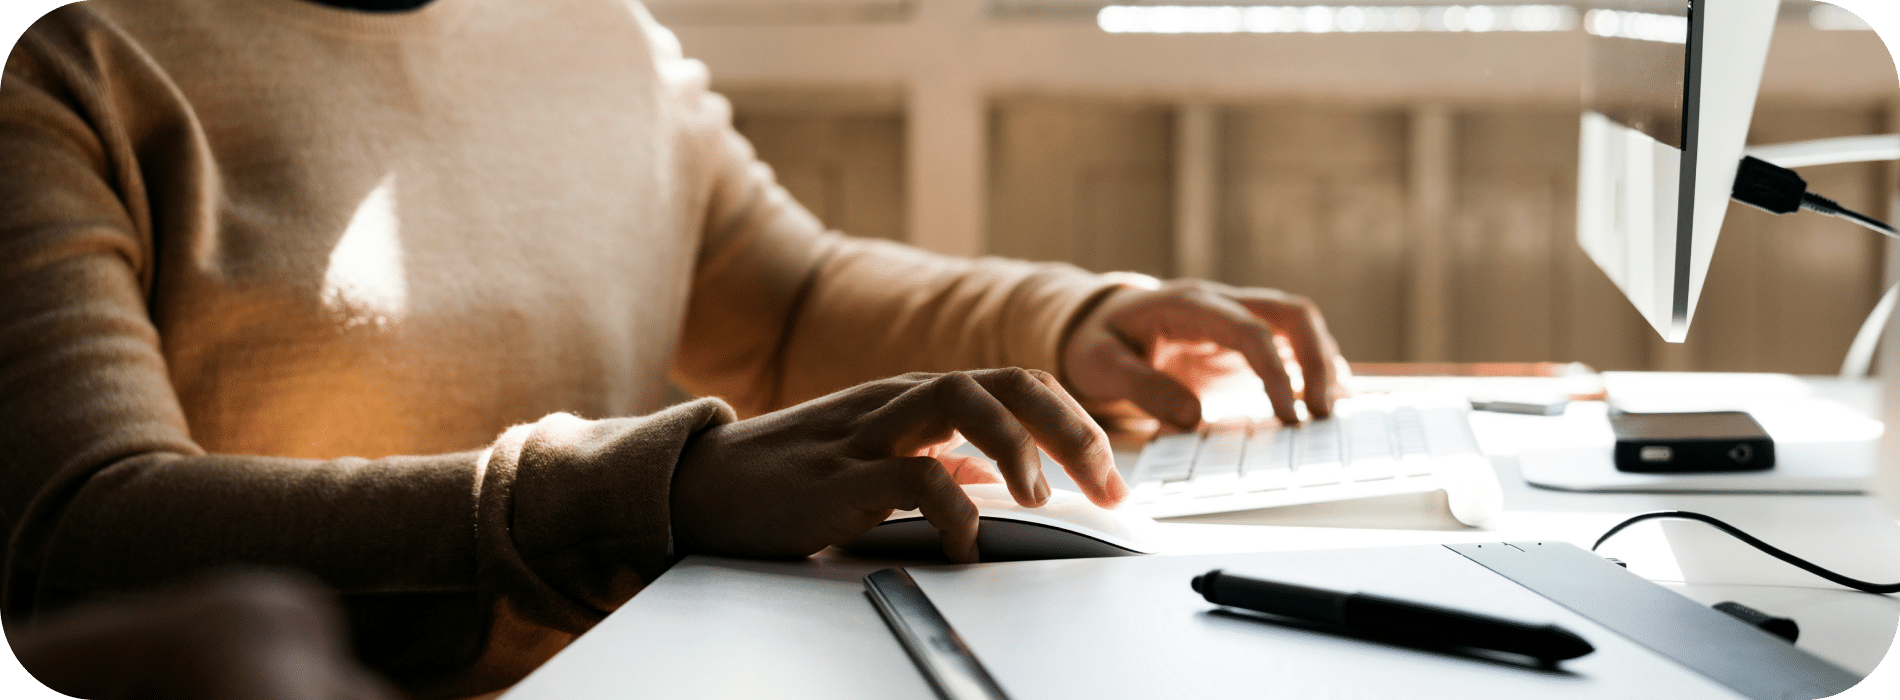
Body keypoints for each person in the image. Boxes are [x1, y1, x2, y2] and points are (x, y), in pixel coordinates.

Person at [0, 0, 1345, 697]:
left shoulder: (596, 35)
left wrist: (1066, 321)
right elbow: (77, 538)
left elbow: (790, 298)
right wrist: (655, 492)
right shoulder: (80, 75)